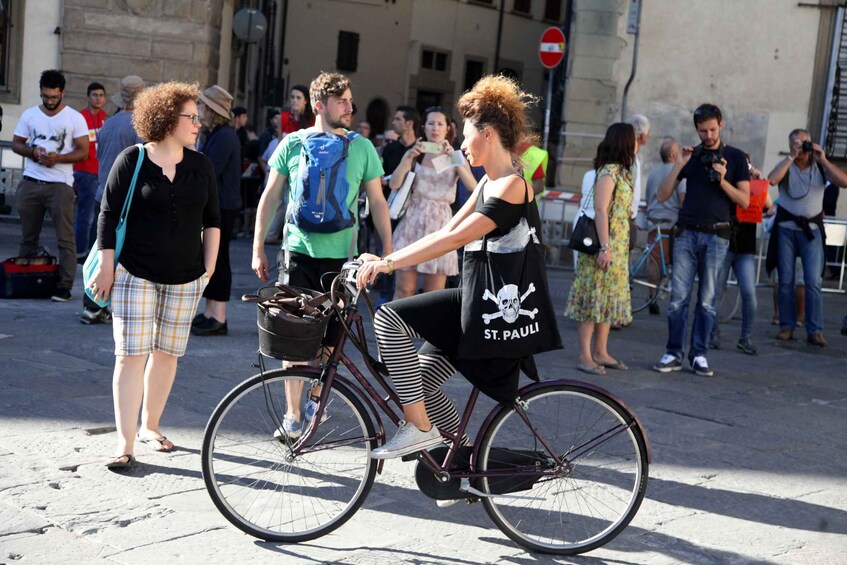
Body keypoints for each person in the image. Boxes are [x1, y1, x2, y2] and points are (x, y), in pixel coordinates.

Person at [354, 75, 557, 462]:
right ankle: (460, 461)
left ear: (490, 133)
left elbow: (452, 240)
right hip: (475, 302)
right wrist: (385, 257)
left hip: (489, 309)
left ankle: (419, 428)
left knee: (388, 319)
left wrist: (388, 263)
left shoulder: (512, 186)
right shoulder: (488, 184)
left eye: (467, 135)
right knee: (420, 387)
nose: (462, 144)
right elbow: (446, 229)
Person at [252, 72, 393, 439]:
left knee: (328, 334)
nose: (350, 106)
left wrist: (388, 253)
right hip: (303, 251)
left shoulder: (359, 147)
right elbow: (270, 197)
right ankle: (297, 411)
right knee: (295, 334)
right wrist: (257, 246)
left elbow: (379, 203)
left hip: (330, 257)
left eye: (350, 100)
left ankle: (310, 401)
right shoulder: (295, 143)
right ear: (320, 105)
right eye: (342, 100)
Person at [92, 82, 221, 470]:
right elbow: (108, 214)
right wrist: (106, 264)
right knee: (131, 355)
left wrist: (209, 269)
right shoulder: (131, 160)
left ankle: (151, 425)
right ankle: (124, 442)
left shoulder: (201, 166)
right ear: (166, 119)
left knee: (166, 355)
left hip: (186, 277)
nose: (198, 123)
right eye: (191, 116)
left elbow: (214, 220)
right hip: (135, 273)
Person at [653, 104, 750, 377]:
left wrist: (722, 180)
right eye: (702, 130)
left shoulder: (736, 157)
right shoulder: (691, 155)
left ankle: (699, 355)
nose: (708, 135)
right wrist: (679, 166)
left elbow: (744, 200)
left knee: (707, 301)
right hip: (686, 232)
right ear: (696, 129)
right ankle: (673, 352)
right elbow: (662, 195)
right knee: (677, 299)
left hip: (718, 235)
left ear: (721, 124)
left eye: (712, 129)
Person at [11, 69, 89, 302]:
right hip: (31, 181)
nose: (50, 101)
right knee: (28, 237)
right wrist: (33, 152)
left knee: (65, 238)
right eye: (46, 96)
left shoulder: (75, 117)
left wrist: (59, 158)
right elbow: (16, 144)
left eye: (54, 97)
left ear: (62, 93)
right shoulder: (29, 115)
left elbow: (83, 152)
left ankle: (64, 286)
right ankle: (25, 280)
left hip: (60, 184)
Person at [565, 123, 636, 376]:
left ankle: (601, 351)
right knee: (591, 300)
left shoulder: (622, 172)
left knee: (606, 301)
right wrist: (604, 247)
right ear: (625, 142)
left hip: (615, 245)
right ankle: (585, 355)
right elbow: (600, 210)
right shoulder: (609, 171)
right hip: (602, 245)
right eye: (634, 139)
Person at [766, 129, 847, 346]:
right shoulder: (786, 164)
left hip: (811, 230)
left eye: (804, 143)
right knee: (785, 280)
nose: (801, 147)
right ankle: (786, 326)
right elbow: (771, 181)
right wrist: (791, 156)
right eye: (795, 143)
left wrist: (824, 159)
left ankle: (815, 330)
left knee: (813, 281)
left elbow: (844, 181)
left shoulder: (820, 167)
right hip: (786, 229)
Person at [389, 106, 476, 300]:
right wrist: (408, 158)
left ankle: (425, 332)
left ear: (448, 129)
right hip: (413, 221)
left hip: (441, 224)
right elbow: (394, 184)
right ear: (424, 128)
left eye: (440, 124)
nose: (435, 128)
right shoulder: (415, 153)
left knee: (432, 294)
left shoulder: (456, 156)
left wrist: (454, 158)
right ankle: (395, 329)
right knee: (405, 289)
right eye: (431, 123)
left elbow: (472, 186)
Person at [80, 75, 145, 325]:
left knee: (101, 251)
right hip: (125, 199)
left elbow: (99, 155)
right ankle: (99, 305)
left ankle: (93, 303)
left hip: (102, 194)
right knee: (116, 255)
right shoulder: (139, 127)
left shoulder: (108, 123)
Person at [709, 156, 772, 355]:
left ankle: (746, 337)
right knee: (716, 291)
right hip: (725, 244)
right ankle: (712, 332)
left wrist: (758, 180)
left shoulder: (751, 185)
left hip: (745, 248)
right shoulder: (726, 185)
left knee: (749, 294)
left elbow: (769, 205)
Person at [192, 86, 242, 336]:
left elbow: (211, 169)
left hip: (223, 205)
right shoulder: (217, 133)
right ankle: (211, 311)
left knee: (219, 260)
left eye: (202, 106)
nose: (198, 110)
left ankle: (219, 315)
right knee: (211, 258)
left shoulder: (224, 136)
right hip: (219, 204)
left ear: (212, 110)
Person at [262, 86, 317, 245]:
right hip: (285, 164)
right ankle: (271, 234)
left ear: (306, 101)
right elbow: (281, 144)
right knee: (276, 199)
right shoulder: (283, 118)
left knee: (293, 201)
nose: (294, 101)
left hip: (303, 167)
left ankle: (291, 236)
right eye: (292, 97)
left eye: (298, 97)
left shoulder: (311, 120)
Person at [644, 138, 686, 315]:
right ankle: (676, 301)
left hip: (654, 222)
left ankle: (652, 295)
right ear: (673, 155)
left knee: (654, 261)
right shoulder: (679, 173)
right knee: (677, 265)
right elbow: (683, 198)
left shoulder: (653, 174)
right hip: (672, 224)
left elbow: (647, 197)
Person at [73, 81, 107, 263]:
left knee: (95, 216)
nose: (98, 98)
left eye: (101, 95)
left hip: (99, 172)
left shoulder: (104, 117)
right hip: (84, 171)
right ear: (88, 97)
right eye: (94, 95)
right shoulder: (80, 117)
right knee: (86, 215)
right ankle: (80, 252)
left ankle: (87, 250)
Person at [628, 114, 650, 250]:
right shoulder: (629, 156)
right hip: (625, 217)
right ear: (642, 135)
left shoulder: (634, 155)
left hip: (629, 215)